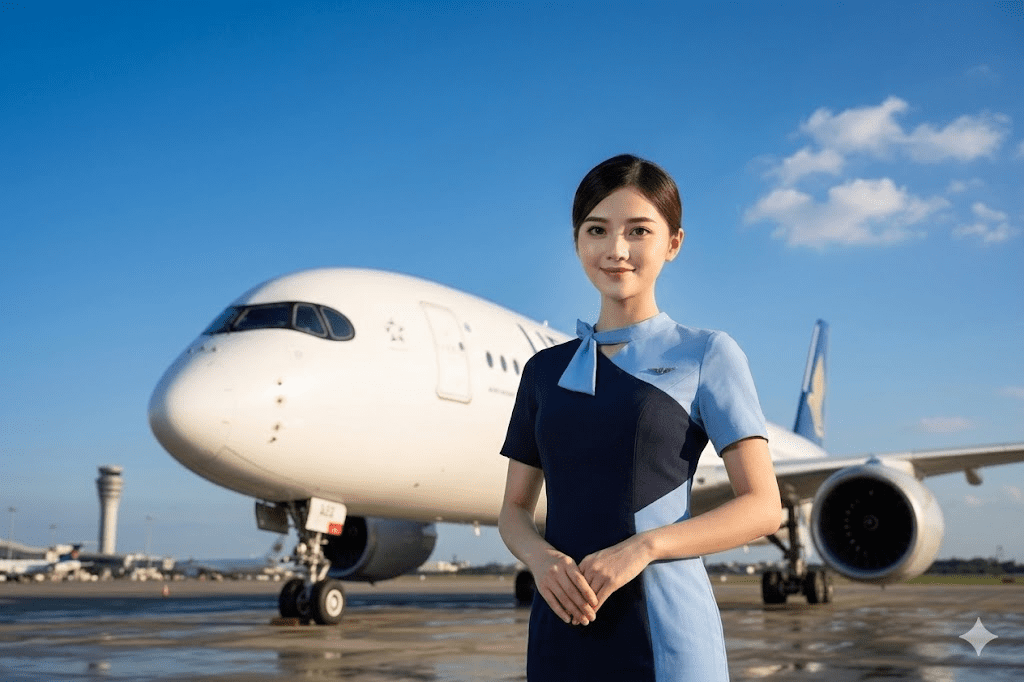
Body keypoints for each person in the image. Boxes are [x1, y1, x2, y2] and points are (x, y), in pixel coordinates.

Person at [497, 154, 782, 681]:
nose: (616, 250)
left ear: (673, 243)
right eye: (597, 230)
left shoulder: (707, 354)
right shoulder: (543, 370)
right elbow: (514, 509)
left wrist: (644, 548)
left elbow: (764, 508)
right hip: (561, 629)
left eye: (638, 231)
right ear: (577, 241)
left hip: (665, 630)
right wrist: (540, 560)